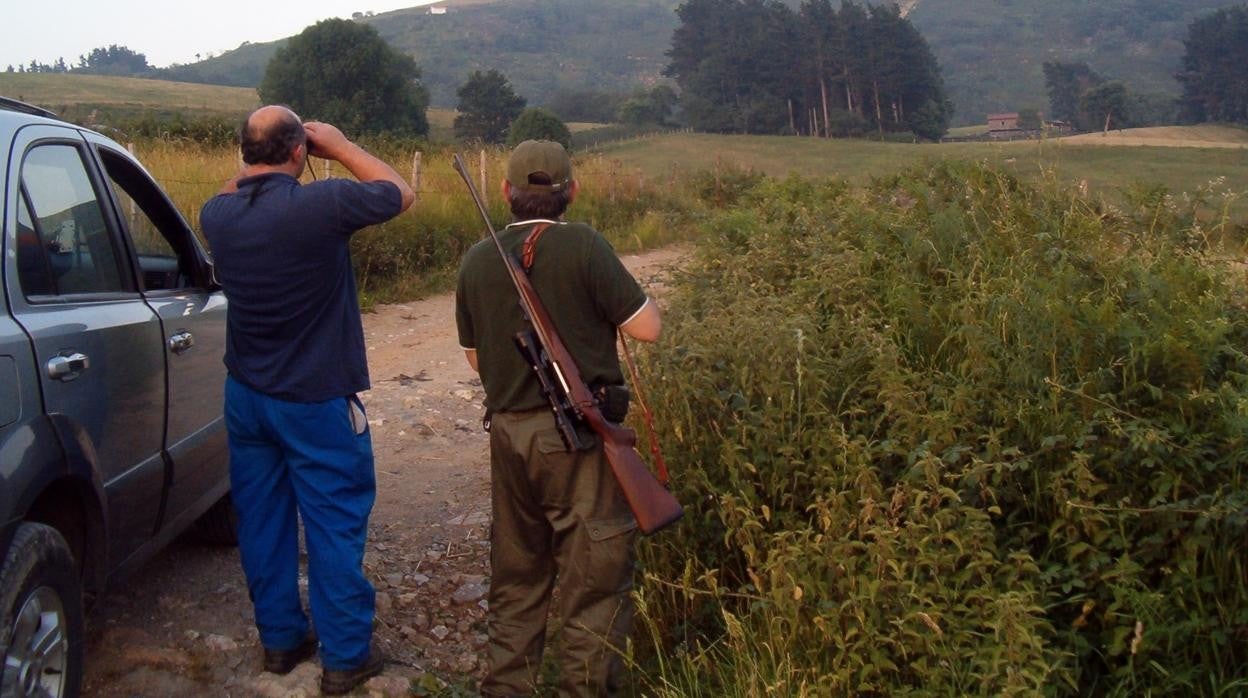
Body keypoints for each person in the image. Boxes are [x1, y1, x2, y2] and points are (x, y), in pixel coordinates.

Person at [200, 105, 415, 695]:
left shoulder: (216, 215)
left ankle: (280, 641)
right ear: (300, 151)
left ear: (245, 153)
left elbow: (237, 183)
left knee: (262, 521)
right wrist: (340, 144)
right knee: (333, 521)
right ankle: (345, 657)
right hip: (315, 397)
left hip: (247, 396)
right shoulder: (323, 205)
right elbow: (400, 192)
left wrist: (266, 156)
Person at [454, 140, 662, 697]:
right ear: (572, 190)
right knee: (594, 581)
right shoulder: (584, 245)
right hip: (577, 441)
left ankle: (508, 688)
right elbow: (648, 329)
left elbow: (476, 359)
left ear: (506, 192)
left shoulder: (478, 259)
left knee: (517, 580)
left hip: (509, 436)